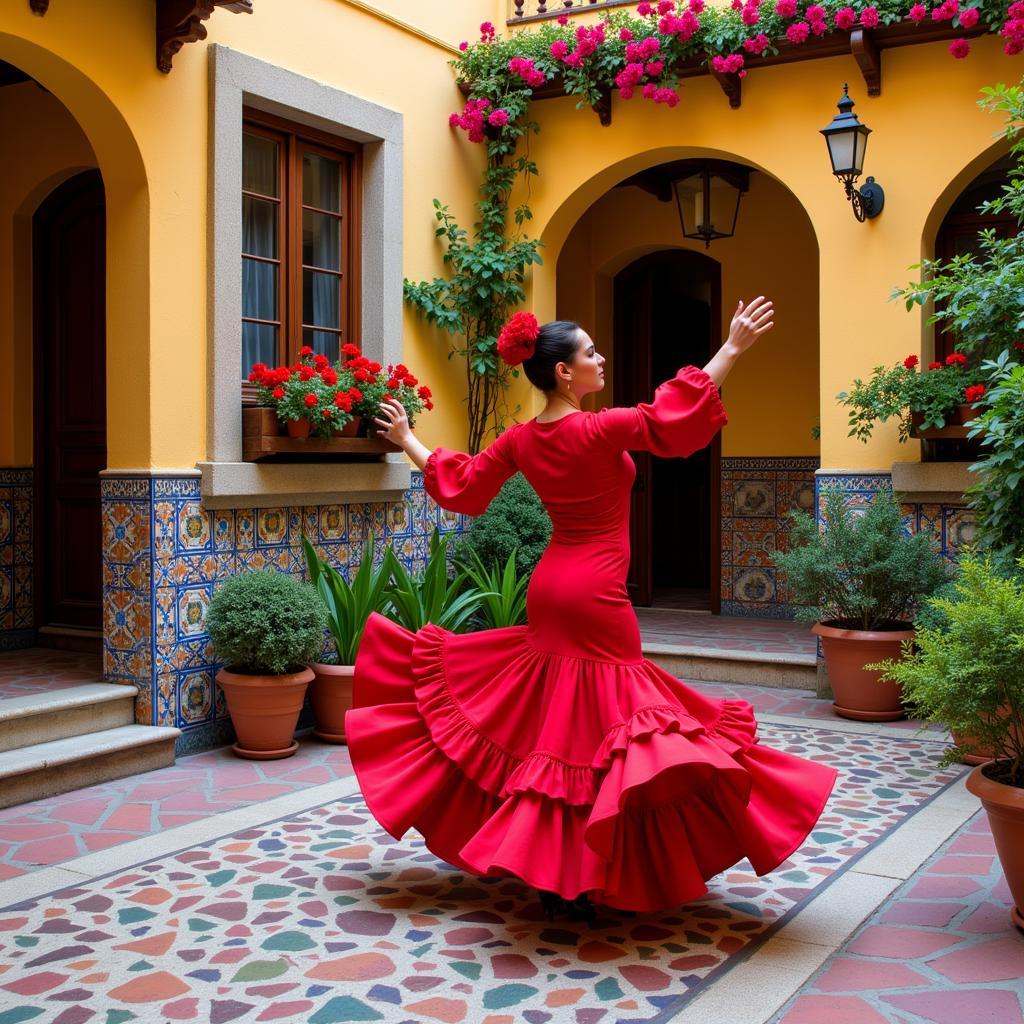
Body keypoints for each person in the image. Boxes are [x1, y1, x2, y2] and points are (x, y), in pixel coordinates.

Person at [345, 297, 838, 919]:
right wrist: (732, 347)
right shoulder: (599, 428)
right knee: (610, 723)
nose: (601, 359)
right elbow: (671, 418)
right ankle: (581, 867)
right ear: (563, 372)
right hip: (597, 594)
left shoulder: (523, 440)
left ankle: (557, 868)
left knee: (561, 724)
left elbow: (464, 488)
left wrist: (410, 439)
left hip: (553, 586)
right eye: (590, 353)